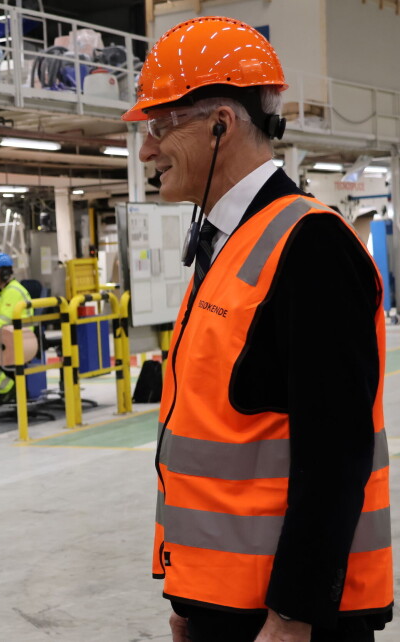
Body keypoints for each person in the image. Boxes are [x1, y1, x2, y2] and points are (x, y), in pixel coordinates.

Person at [121, 16, 393, 642]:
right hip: (229, 605)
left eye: (160, 127)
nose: (146, 150)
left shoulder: (311, 245)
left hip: (287, 621)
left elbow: (336, 453)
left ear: (221, 123)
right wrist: (192, 599)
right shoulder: (230, 243)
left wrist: (293, 617)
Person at [0, 252, 33, 404]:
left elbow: (2, 323)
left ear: (4, 273)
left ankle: (9, 389)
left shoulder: (12, 293)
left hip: (19, 340)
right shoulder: (7, 291)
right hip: (11, 337)